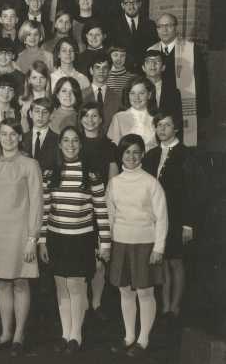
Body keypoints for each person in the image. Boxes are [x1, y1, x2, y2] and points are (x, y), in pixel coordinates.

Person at [40, 126, 110, 354]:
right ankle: (64, 333)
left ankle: (76, 335)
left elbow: (101, 211)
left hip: (81, 239)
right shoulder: (50, 174)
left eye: (75, 141)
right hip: (56, 238)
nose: (70, 145)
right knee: (61, 285)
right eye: (66, 141)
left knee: (76, 286)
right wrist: (42, 240)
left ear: (81, 145)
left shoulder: (91, 174)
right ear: (59, 145)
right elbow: (44, 211)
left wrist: (106, 244)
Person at [0, 118, 43, 357]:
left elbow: (37, 202)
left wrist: (32, 238)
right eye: (4, 134)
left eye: (13, 134)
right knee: (3, 283)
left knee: (20, 282)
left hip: (20, 233)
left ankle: (19, 334)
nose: (8, 138)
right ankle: (5, 332)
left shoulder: (29, 164)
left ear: (20, 137)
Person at [107, 133, 167, 359]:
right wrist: (107, 245)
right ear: (120, 155)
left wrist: (158, 248)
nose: (131, 156)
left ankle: (144, 339)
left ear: (142, 154)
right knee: (125, 291)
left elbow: (162, 217)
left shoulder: (151, 182)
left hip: (145, 244)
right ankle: (129, 336)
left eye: (135, 152)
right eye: (127, 152)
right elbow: (110, 217)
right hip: (121, 243)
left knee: (145, 291)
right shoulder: (114, 183)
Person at [142, 112, 198, 322]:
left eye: (167, 125)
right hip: (156, 217)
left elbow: (192, 191)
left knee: (176, 261)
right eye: (158, 125)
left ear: (176, 129)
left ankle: (175, 307)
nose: (162, 129)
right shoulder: (151, 154)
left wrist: (188, 224)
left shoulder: (186, 154)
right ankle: (164, 306)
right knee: (163, 262)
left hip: (177, 216)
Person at [79, 102, 119, 319]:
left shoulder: (110, 146)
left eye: (95, 116)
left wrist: (104, 205)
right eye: (86, 116)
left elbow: (112, 180)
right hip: (79, 206)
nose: (90, 120)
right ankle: (83, 303)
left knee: (100, 260)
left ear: (101, 119)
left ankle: (96, 303)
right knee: (82, 257)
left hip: (101, 207)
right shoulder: (74, 143)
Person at [147, 13, 210, 147]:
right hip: (158, 109)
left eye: (168, 25)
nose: (164, 30)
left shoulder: (191, 49)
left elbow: (201, 82)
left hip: (182, 110)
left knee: (183, 150)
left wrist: (201, 114)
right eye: (160, 26)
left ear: (176, 28)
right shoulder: (151, 51)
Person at [109, 0, 158, 72]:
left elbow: (154, 49)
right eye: (127, 2)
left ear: (139, 4)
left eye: (134, 2)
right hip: (121, 72)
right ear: (122, 5)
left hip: (145, 72)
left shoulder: (150, 25)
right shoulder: (113, 26)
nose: (131, 6)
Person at [108, 76, 158, 151]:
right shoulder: (118, 117)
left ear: (149, 95)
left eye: (141, 93)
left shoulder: (157, 117)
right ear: (128, 95)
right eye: (132, 93)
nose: (136, 98)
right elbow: (115, 147)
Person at [142, 50, 182, 135]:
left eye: (157, 61)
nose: (153, 65)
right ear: (143, 67)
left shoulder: (174, 92)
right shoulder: (134, 89)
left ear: (163, 67)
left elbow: (177, 120)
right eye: (149, 61)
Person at [82, 53, 122, 133]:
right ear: (91, 70)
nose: (101, 71)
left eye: (105, 68)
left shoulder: (117, 97)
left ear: (109, 71)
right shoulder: (81, 95)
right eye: (97, 67)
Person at [21, 97, 58, 172]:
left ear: (50, 115)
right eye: (37, 111)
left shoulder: (57, 139)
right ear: (30, 114)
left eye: (45, 112)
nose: (40, 115)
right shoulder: (22, 138)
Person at [19, 60, 51, 132]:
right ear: (29, 80)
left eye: (42, 77)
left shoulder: (53, 101)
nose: (38, 82)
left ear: (47, 80)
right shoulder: (22, 101)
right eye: (34, 78)